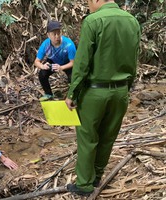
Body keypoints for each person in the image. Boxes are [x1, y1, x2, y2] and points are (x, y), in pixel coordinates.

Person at [65, 0, 140, 196]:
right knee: (108, 137)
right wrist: (126, 88)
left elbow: (81, 63)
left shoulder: (93, 21)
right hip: (121, 91)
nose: (88, 5)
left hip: (95, 92)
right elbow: (133, 60)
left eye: (89, 1)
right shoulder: (132, 21)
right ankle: (97, 175)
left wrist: (73, 93)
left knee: (88, 137)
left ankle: (84, 184)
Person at [34, 20, 76, 101]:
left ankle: (72, 96)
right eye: (54, 34)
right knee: (42, 74)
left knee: (73, 78)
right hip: (53, 61)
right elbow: (36, 62)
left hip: (67, 62)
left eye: (58, 33)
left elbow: (73, 62)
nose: (57, 36)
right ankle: (48, 94)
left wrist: (62, 68)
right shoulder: (45, 45)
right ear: (48, 35)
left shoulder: (69, 45)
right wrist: (43, 66)